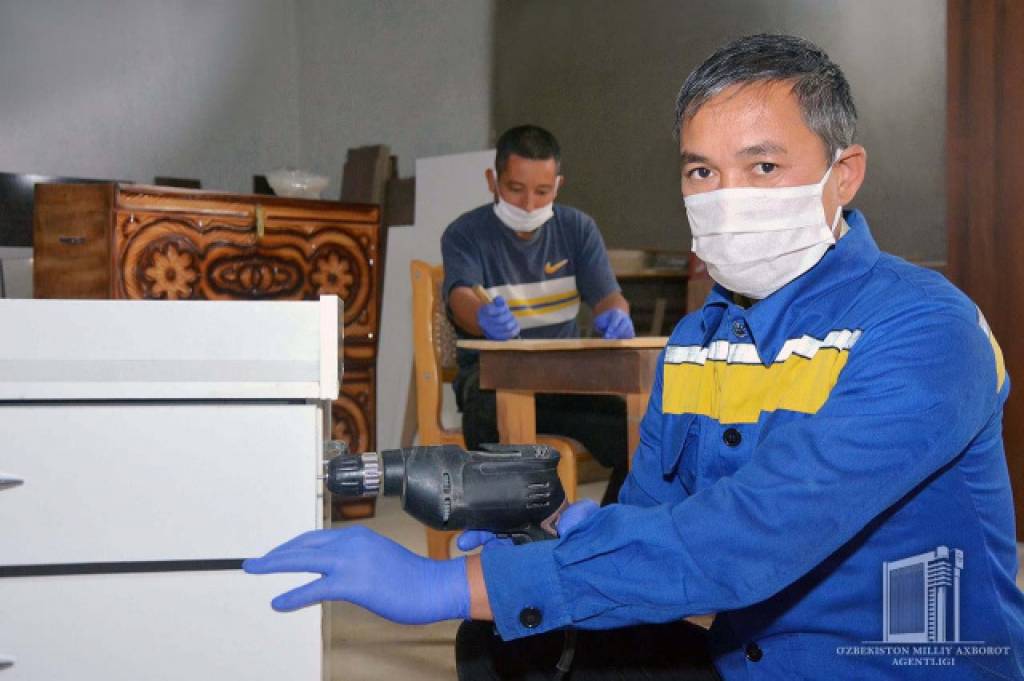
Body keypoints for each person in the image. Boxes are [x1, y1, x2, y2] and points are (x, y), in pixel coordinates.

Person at [244, 34, 1024, 680]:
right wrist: (579, 532)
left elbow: (750, 534)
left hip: (893, 662)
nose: (726, 198)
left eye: (762, 166)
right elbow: (657, 515)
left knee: (500, 601)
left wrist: (452, 581)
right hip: (738, 653)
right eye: (701, 171)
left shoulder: (926, 330)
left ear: (841, 175)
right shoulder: (696, 344)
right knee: (507, 641)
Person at [442, 124, 635, 504]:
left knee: (640, 437)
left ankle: (605, 530)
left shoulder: (577, 229)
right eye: (516, 189)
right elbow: (460, 295)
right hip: (492, 378)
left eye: (542, 191)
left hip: (562, 381)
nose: (529, 205)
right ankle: (507, 531)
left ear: (558, 186)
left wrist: (616, 315)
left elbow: (609, 297)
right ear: (492, 181)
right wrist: (481, 317)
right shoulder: (465, 233)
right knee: (489, 426)